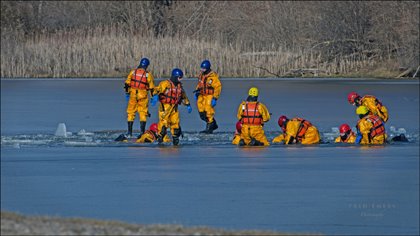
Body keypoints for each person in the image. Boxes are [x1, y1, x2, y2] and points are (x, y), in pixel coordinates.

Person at [151, 68, 192, 145]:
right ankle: (160, 140)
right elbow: (157, 89)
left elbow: (183, 96)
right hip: (165, 107)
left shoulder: (179, 87)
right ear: (175, 77)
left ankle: (175, 140)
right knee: (164, 124)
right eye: (179, 77)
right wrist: (155, 96)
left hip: (174, 108)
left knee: (175, 123)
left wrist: (188, 104)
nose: (180, 79)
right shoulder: (165, 84)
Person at [124, 57, 155, 137]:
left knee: (131, 112)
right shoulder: (148, 75)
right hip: (143, 95)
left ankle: (129, 132)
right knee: (143, 113)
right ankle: (142, 132)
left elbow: (127, 84)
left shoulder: (133, 72)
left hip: (133, 94)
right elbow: (151, 88)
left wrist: (127, 93)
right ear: (147, 66)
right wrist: (152, 97)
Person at [193, 60, 222, 134]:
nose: (202, 70)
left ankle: (209, 127)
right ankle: (213, 124)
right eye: (201, 68)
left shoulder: (213, 77)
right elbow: (200, 84)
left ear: (208, 68)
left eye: (204, 69)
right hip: (202, 94)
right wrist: (196, 91)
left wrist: (215, 98)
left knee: (208, 110)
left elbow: (218, 87)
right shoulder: (202, 75)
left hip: (209, 95)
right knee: (201, 111)